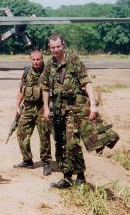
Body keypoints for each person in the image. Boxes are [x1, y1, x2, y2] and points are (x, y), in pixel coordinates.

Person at [41, 34, 102, 188]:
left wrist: (93, 105)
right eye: (52, 47)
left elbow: (86, 82)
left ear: (64, 45)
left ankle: (80, 177)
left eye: (58, 47)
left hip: (73, 109)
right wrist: (46, 107)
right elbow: (45, 87)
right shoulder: (50, 64)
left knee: (72, 142)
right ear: (49, 48)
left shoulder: (73, 60)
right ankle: (67, 177)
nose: (55, 50)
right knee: (60, 143)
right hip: (57, 110)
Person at [13, 50, 52, 175]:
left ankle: (46, 162)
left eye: (38, 59)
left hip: (42, 107)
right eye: (33, 60)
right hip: (28, 107)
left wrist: (49, 108)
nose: (36, 62)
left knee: (44, 136)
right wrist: (17, 106)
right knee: (21, 133)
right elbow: (21, 90)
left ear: (42, 59)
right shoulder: (26, 72)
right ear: (31, 60)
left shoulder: (49, 72)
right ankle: (27, 160)